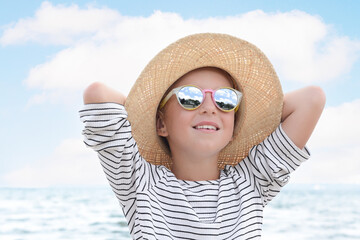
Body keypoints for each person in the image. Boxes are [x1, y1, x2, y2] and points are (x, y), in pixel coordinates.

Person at [79, 33, 325, 239]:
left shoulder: (251, 181)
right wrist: (146, 115)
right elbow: (97, 93)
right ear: (161, 123)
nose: (209, 107)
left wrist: (251, 119)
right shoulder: (139, 180)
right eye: (190, 97)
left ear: (233, 130)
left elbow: (311, 99)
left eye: (225, 100)